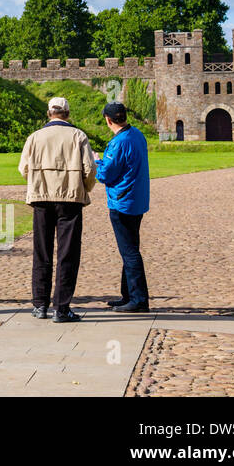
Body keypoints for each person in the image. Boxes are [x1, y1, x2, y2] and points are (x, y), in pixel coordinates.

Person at [18, 96, 97, 322]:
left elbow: (23, 168)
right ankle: (61, 308)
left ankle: (40, 305)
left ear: (48, 113)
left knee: (41, 252)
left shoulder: (35, 137)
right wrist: (83, 188)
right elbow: (89, 170)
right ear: (68, 114)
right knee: (67, 254)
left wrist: (38, 182)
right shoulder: (78, 136)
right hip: (70, 199)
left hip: (42, 199)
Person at [94, 102, 151, 312]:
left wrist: (97, 161)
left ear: (108, 120)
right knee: (130, 249)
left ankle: (138, 299)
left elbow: (105, 175)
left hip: (122, 201)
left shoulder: (118, 143)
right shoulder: (137, 135)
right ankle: (128, 295)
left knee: (129, 252)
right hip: (137, 199)